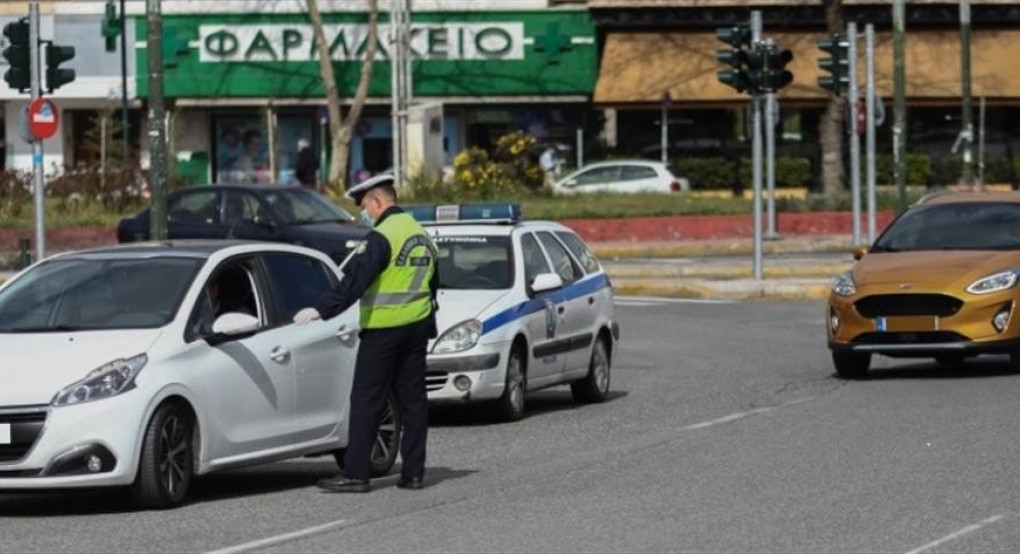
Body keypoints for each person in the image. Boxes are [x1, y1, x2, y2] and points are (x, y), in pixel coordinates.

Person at [292, 176, 437, 493]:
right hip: (416, 328)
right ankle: (413, 473)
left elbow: (355, 281)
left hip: (384, 330)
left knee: (366, 400)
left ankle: (356, 473)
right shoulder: (421, 234)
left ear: (378, 202)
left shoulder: (382, 237)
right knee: (413, 402)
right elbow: (432, 283)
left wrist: (321, 310)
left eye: (365, 207)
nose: (363, 215)